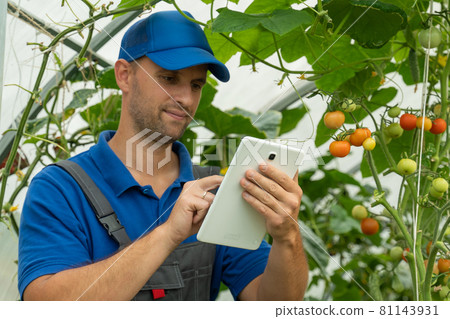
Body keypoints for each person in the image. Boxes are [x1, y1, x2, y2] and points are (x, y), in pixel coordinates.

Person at [18, 10, 308, 301]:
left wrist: (287, 237)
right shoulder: (60, 187)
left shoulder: (214, 189)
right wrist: (169, 233)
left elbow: (270, 305)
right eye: (169, 78)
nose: (186, 98)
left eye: (196, 85)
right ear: (124, 76)